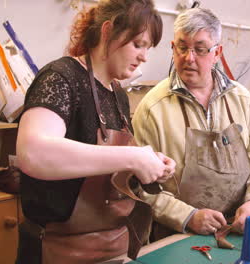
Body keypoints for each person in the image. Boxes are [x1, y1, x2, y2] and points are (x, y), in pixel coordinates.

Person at [15, 1, 175, 263]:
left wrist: (150, 163)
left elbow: (109, 167)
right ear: (107, 31)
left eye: (148, 48)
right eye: (138, 44)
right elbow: (33, 152)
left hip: (114, 249)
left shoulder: (118, 95)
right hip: (58, 250)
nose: (145, 56)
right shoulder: (61, 78)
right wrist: (133, 158)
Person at [132, 7, 250, 239]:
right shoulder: (152, 109)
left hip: (238, 228)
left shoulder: (240, 98)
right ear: (172, 49)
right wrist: (188, 216)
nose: (189, 58)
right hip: (179, 234)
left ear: (217, 53)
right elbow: (141, 187)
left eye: (200, 49)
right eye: (182, 47)